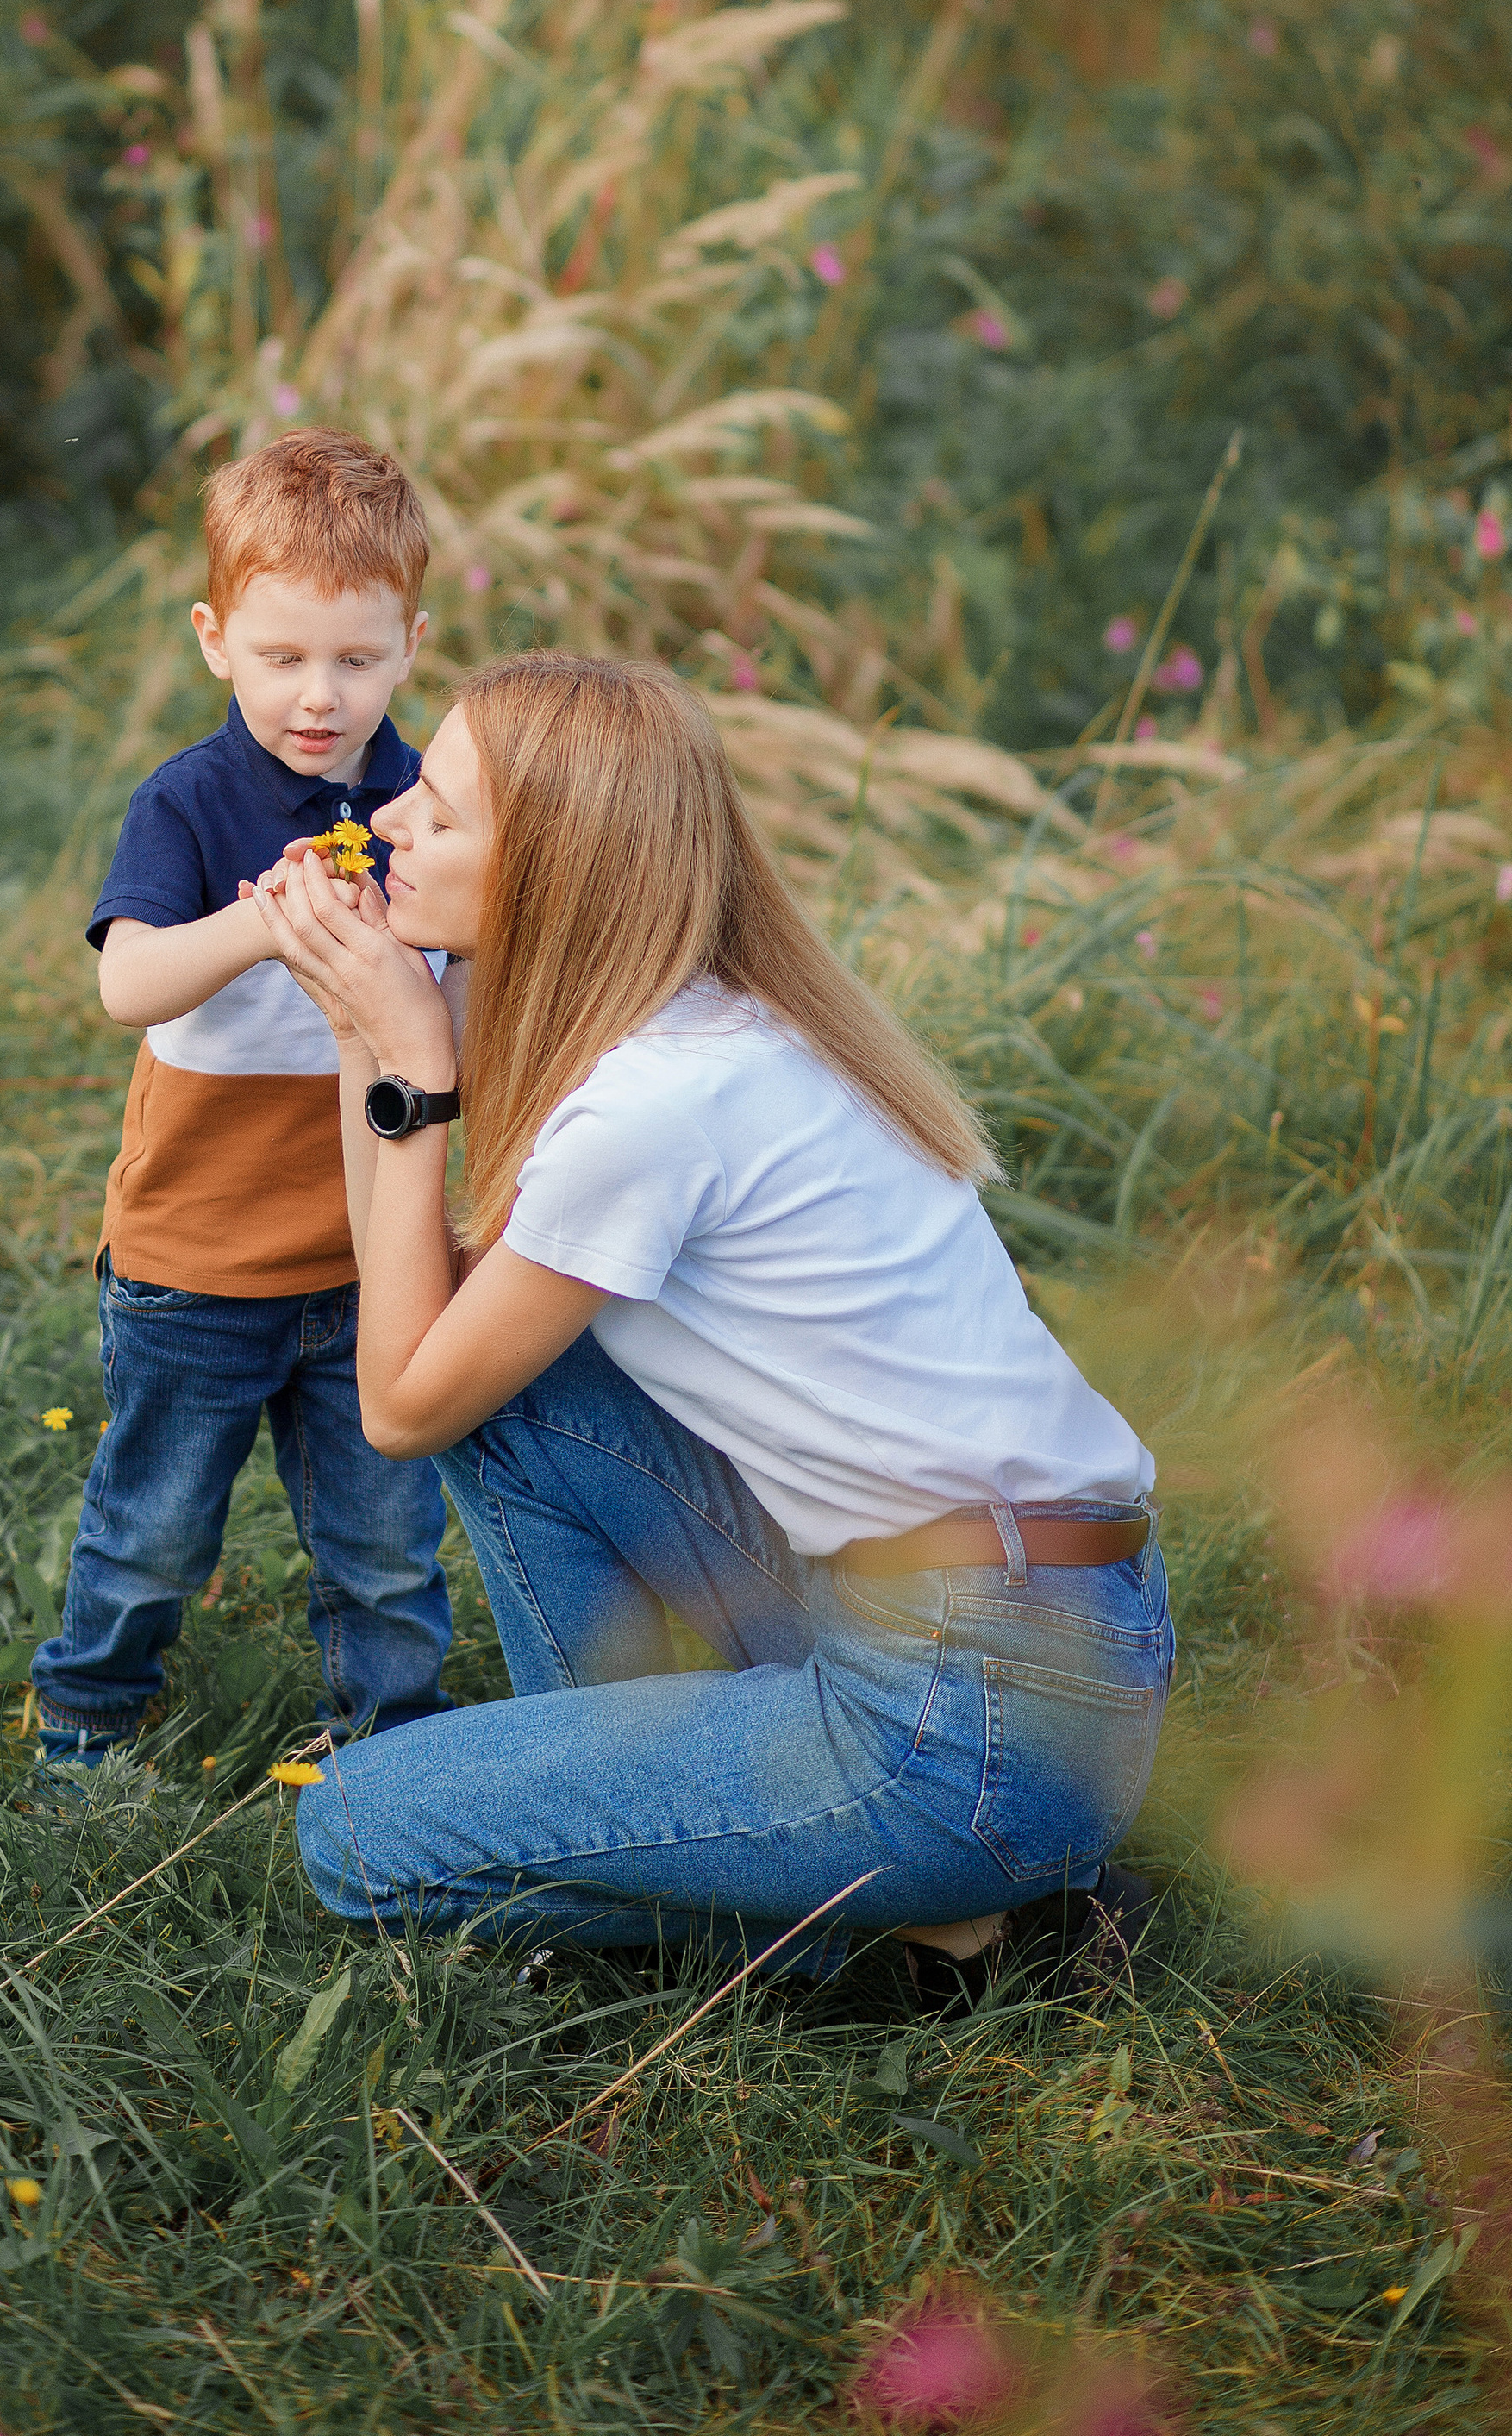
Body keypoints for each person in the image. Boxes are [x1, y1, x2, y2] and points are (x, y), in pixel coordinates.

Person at [247, 653, 1172, 1995]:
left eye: (440, 816)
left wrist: (419, 1070)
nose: (387, 819)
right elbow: (427, 1341)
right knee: (513, 1394)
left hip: (966, 1712)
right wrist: (368, 1041)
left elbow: (390, 1407)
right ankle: (716, 1821)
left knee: (354, 1836)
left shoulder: (650, 1114)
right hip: (1023, 1630)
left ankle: (936, 1924)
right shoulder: (714, 1027)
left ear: (555, 876)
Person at [29, 430, 453, 1768]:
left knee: (386, 1540)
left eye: (356, 658)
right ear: (216, 640)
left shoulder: (429, 803)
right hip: (197, 1262)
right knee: (154, 1526)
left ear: (411, 644)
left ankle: (386, 1737)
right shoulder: (191, 804)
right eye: (282, 658)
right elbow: (129, 983)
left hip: (368, 1260)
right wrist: (261, 928)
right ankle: (89, 1716)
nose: (319, 697)